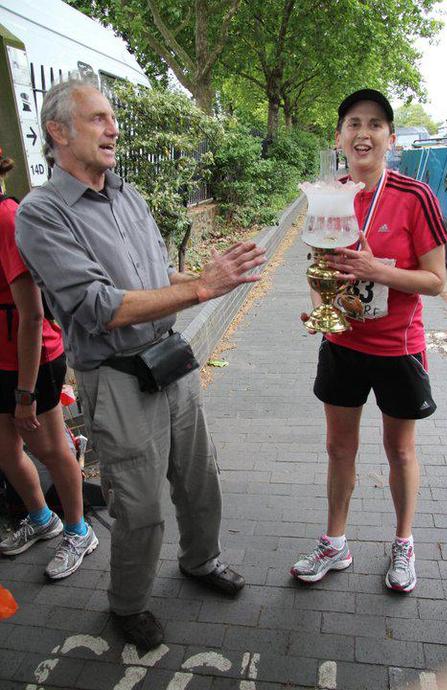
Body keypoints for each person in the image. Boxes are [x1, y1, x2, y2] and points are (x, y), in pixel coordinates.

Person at [15, 79, 266, 650]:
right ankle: (127, 604)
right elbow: (98, 307)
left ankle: (201, 562)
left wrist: (204, 276)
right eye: (99, 118)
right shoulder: (42, 214)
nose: (114, 129)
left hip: (172, 363)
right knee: (141, 507)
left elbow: (157, 279)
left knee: (201, 483)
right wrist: (201, 290)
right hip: (120, 378)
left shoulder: (127, 195)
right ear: (59, 132)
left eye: (113, 118)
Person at [290, 89, 447, 593]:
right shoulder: (327, 195)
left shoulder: (415, 196)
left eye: (375, 124)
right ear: (339, 137)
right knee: (339, 447)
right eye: (354, 123)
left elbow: (436, 281)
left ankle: (403, 543)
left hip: (398, 348)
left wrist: (379, 269)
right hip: (344, 348)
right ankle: (335, 543)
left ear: (389, 136)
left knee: (399, 451)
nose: (364, 132)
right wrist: (321, 307)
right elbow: (319, 267)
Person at [0, 148, 97, 578]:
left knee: (52, 449)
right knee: (5, 450)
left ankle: (79, 530)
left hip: (33, 360)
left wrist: (24, 393)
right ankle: (42, 519)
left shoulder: (7, 219)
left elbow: (33, 315)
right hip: (3, 360)